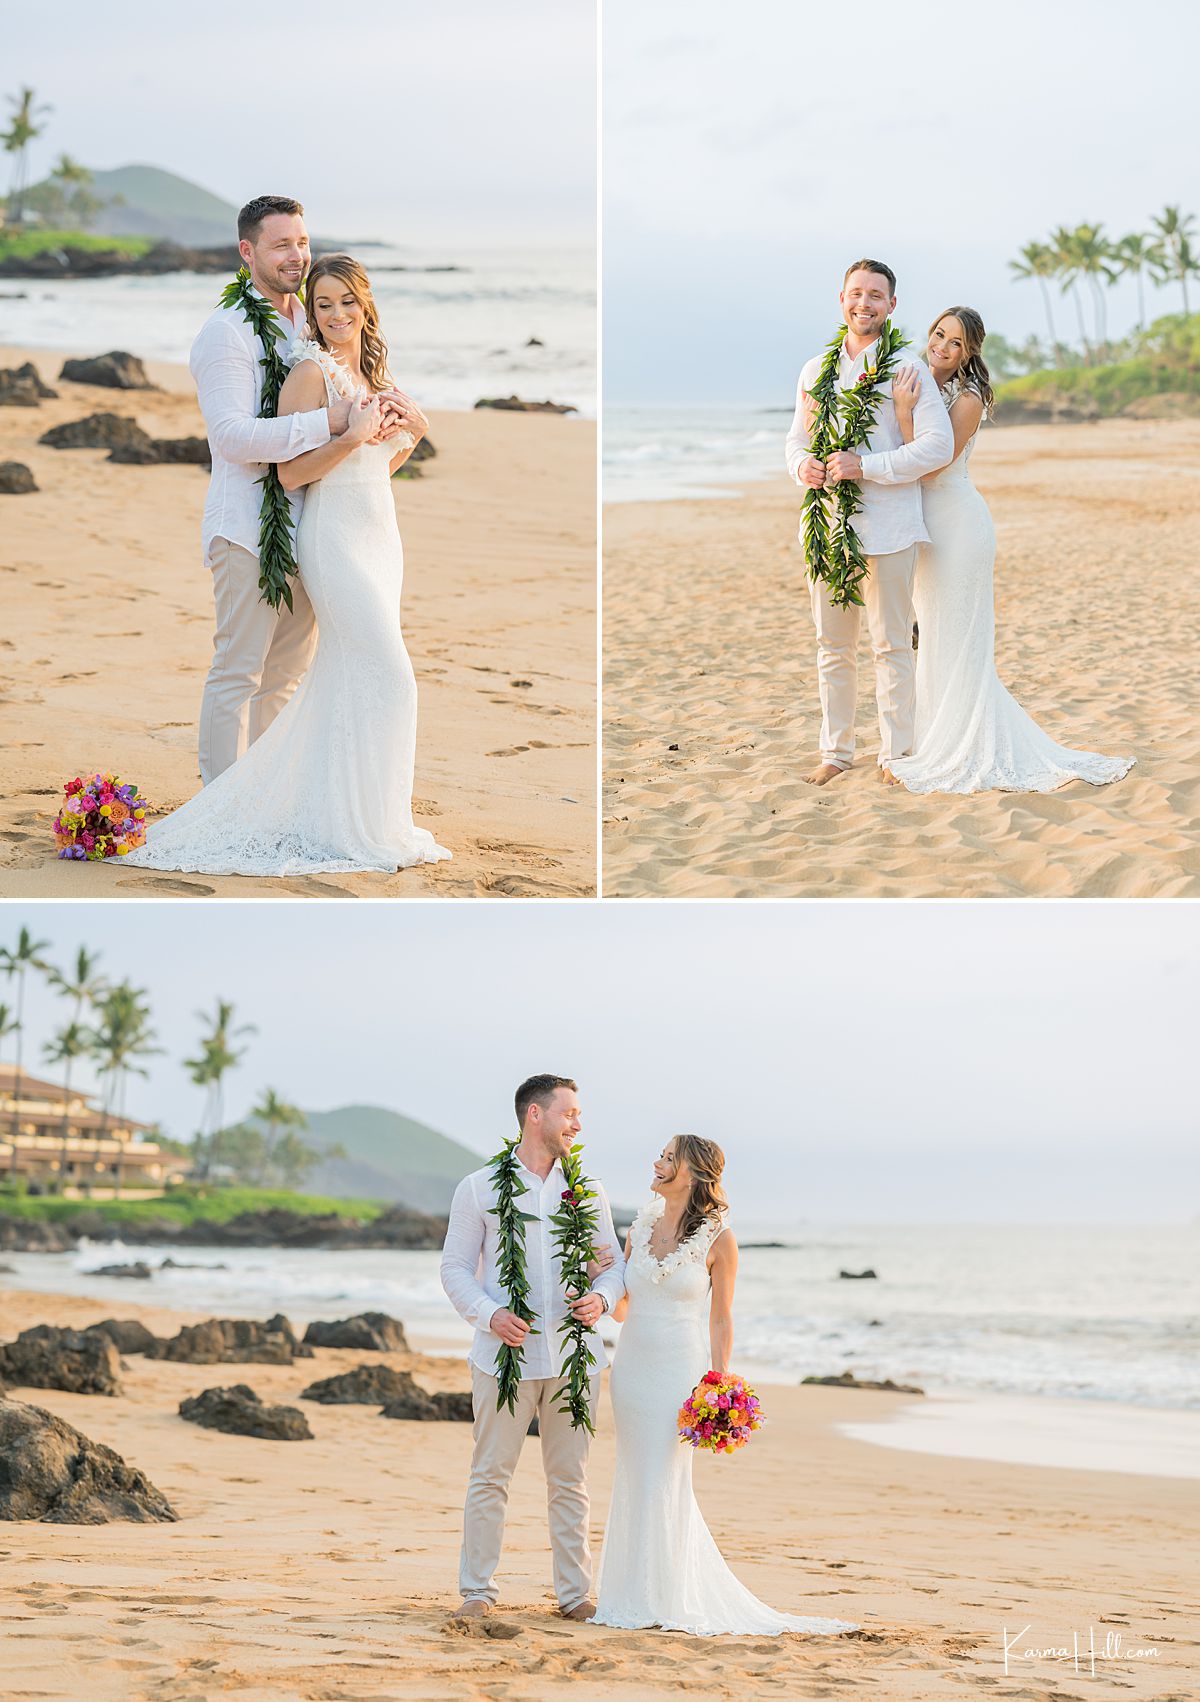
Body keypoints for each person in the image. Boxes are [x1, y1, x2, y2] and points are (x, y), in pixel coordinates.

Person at [126, 244, 450, 875]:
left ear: (366, 304)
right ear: (311, 309)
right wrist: (352, 434)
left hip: (379, 534)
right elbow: (293, 473)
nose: (335, 314)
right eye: (322, 303)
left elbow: (379, 468)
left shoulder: (373, 377)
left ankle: (360, 814)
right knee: (392, 674)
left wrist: (414, 431)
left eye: (346, 302)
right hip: (331, 539)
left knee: (350, 673)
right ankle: (348, 818)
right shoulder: (310, 374)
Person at [591, 1135, 858, 1637]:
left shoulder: (719, 1240)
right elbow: (626, 1309)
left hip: (678, 1371)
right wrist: (595, 1275)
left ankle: (667, 1598)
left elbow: (720, 1319)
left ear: (691, 1174)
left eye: (667, 1158)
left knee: (664, 1476)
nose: (657, 1162)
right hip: (631, 1368)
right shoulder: (640, 1226)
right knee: (635, 1473)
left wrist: (719, 1381)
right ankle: (630, 1596)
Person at [886, 307, 1134, 794]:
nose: (943, 346)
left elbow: (931, 468)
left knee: (958, 641)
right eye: (939, 334)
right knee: (934, 636)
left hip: (958, 527)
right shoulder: (913, 378)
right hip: (922, 528)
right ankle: (933, 739)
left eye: (956, 343)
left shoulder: (969, 397)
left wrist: (901, 411)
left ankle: (961, 746)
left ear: (969, 353)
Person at [440, 1075, 625, 1621]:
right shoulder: (478, 1187)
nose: (578, 1123)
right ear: (535, 1115)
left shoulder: (588, 1187)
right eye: (569, 1113)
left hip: (575, 1358)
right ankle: (477, 1592)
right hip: (503, 1359)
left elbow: (611, 1265)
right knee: (490, 1474)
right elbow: (453, 1268)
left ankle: (574, 1596)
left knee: (571, 1479)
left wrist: (600, 1298)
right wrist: (489, 1314)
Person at [785, 258, 954, 785]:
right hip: (829, 530)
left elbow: (938, 445)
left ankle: (896, 755)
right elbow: (795, 438)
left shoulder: (908, 369)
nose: (864, 303)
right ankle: (836, 753)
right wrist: (802, 466)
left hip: (888, 528)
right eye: (856, 293)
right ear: (842, 299)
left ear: (891, 305)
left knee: (890, 646)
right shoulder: (816, 370)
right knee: (832, 648)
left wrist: (868, 466)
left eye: (875, 295)